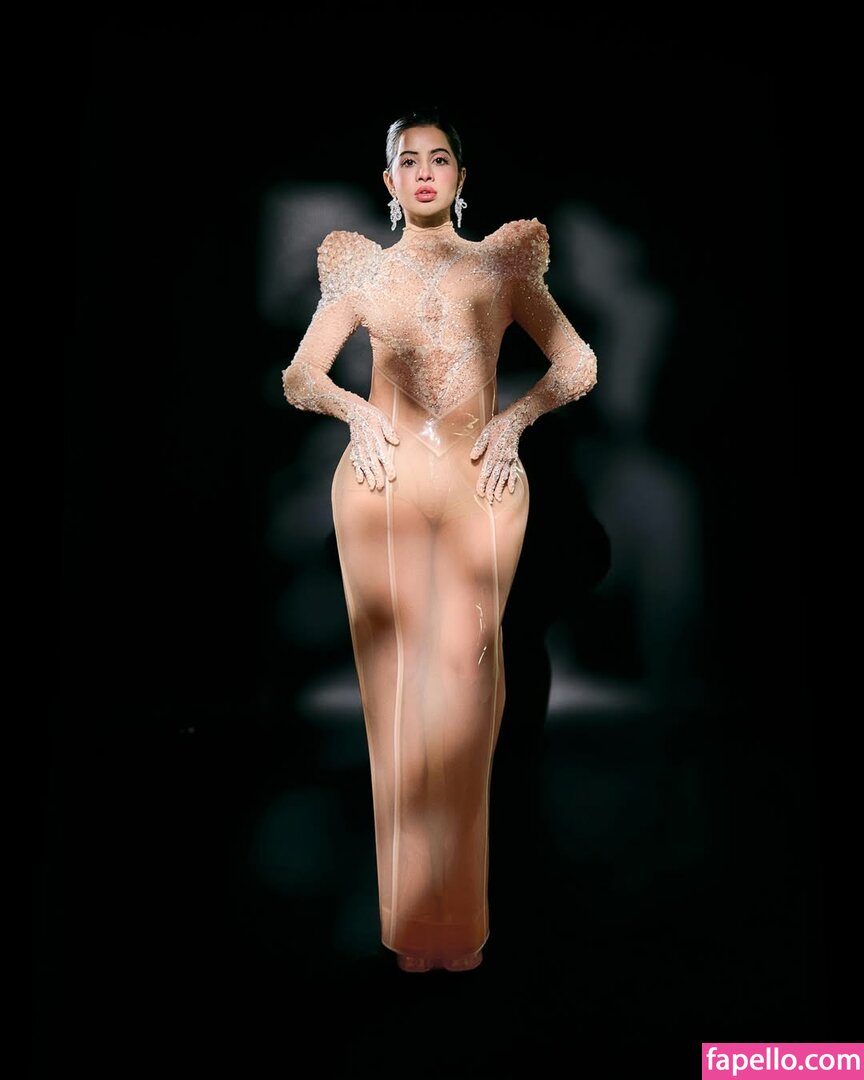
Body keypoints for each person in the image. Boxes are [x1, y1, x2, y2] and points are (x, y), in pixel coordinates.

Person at [281, 109, 598, 973]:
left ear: (460, 176)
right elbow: (302, 373)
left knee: (466, 688)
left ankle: (458, 924)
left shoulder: (499, 264)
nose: (424, 171)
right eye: (408, 160)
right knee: (395, 690)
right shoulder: (364, 269)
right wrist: (353, 413)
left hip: (480, 480)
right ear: (389, 182)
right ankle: (410, 926)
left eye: (440, 158)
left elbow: (576, 362)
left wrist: (516, 421)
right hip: (381, 482)